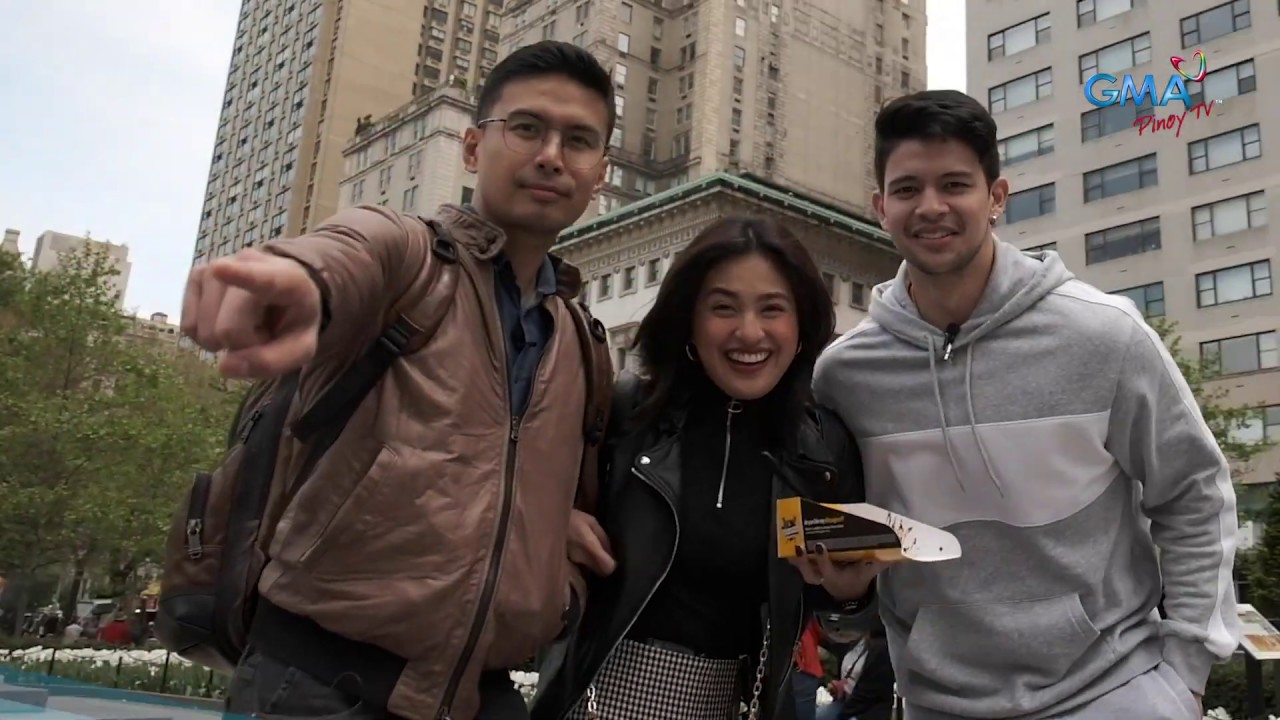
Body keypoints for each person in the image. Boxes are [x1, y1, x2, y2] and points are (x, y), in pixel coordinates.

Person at [180, 41, 618, 720]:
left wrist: (548, 554)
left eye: (578, 141)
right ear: (472, 147)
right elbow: (343, 256)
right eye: (527, 128)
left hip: (485, 697)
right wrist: (294, 285)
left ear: (599, 175)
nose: (551, 156)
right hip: (318, 687)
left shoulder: (583, 343)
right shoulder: (408, 257)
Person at [814, 88, 1241, 720]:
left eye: (954, 184)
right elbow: (848, 542)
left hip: (1113, 692)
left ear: (996, 197)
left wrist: (1187, 673)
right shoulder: (845, 374)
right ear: (881, 208)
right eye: (907, 189)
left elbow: (1195, 493)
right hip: (938, 701)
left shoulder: (1105, 336)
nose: (930, 206)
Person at [531, 217, 883, 720]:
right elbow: (510, 501)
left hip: (731, 703)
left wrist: (849, 593)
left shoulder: (822, 450)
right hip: (593, 697)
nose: (749, 332)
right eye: (723, 307)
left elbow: (844, 624)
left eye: (772, 309)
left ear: (801, 325)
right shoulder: (624, 412)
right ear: (689, 319)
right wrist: (552, 524)